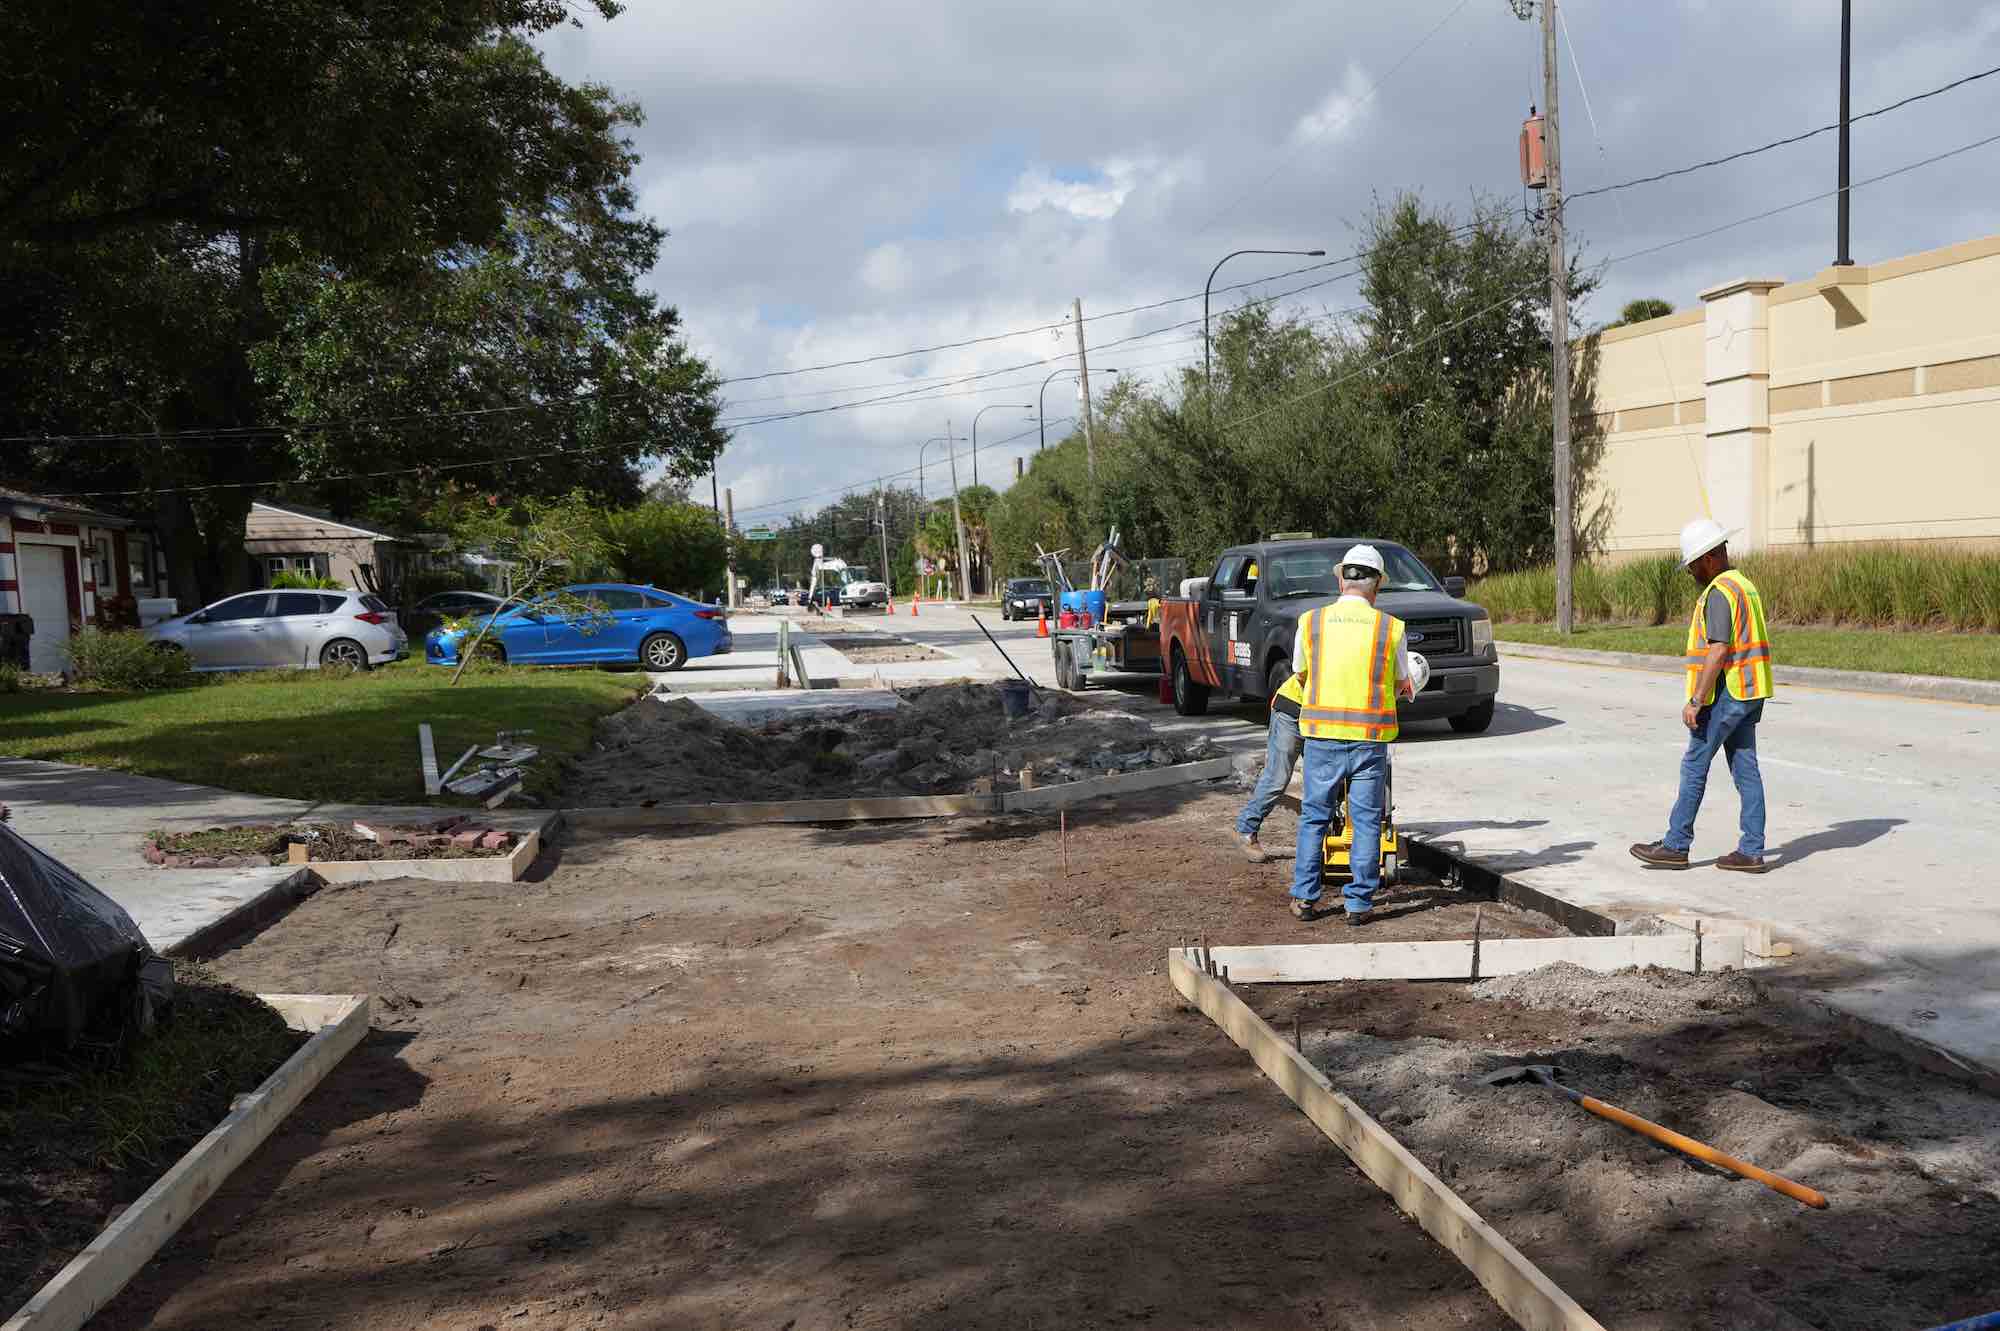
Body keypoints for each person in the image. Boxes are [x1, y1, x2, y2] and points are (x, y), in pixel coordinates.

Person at [1631, 518, 1774, 873]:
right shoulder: (1744, 585)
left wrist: (1696, 699)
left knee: (1695, 763)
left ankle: (1676, 845)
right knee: (1745, 768)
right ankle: (1751, 851)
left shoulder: (1718, 593)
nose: (1691, 570)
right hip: (1750, 690)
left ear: (1709, 558)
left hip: (1727, 694)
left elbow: (1719, 650)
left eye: (1693, 563)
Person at [1288, 545, 1417, 925]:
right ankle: (1358, 905)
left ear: (1340, 578)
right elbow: (1398, 682)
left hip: (1322, 737)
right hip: (1369, 739)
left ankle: (1305, 898)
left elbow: (1300, 674)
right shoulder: (1390, 628)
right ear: (1377, 584)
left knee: (1314, 817)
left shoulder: (1310, 622)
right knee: (1365, 822)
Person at [1233, 667, 1304, 862]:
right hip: (1292, 710)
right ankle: (1246, 830)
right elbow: (1303, 674)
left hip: (1323, 719)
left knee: (1325, 780)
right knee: (1277, 777)